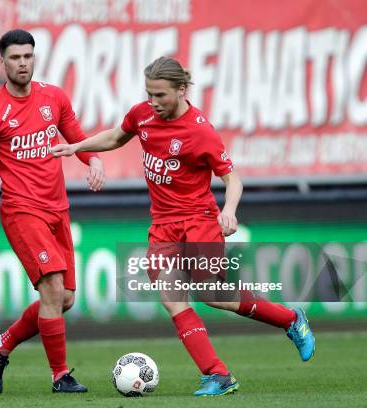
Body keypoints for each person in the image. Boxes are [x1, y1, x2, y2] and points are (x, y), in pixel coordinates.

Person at [52, 56, 316, 397]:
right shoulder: (142, 114)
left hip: (199, 221)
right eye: (149, 94)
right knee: (170, 296)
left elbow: (231, 178)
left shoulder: (199, 131)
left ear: (181, 89)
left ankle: (290, 320)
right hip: (163, 225)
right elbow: (118, 137)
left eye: (160, 95)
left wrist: (230, 211)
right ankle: (218, 374)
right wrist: (77, 147)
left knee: (213, 295)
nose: (153, 102)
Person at [0, 29, 105, 394]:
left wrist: (94, 159)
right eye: (15, 57)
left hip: (58, 210)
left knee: (64, 299)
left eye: (28, 56)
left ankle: (0, 345)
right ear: (1, 62)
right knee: (53, 287)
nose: (22, 63)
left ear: (34, 58)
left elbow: (77, 138)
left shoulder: (53, 98)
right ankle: (60, 376)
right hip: (22, 211)